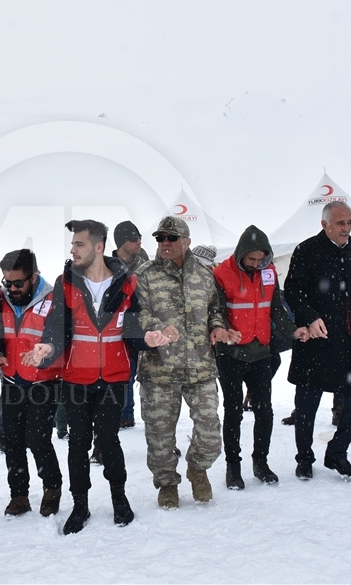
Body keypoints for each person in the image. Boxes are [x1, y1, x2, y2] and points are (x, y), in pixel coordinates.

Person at [26, 219, 139, 534]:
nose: (73, 249)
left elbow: (135, 327)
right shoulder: (67, 282)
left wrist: (151, 337)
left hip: (114, 376)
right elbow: (56, 325)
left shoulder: (126, 283)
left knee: (108, 438)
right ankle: (81, 505)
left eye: (79, 244)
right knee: (78, 442)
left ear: (98, 247)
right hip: (76, 376)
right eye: (73, 244)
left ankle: (119, 498)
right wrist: (47, 346)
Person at [135, 216, 232, 507]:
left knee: (210, 431)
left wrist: (217, 325)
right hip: (159, 369)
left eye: (171, 238)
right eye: (160, 238)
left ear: (186, 241)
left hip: (200, 366)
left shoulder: (204, 274)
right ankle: (166, 484)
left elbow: (215, 308)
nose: (165, 243)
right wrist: (156, 327)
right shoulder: (145, 275)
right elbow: (137, 312)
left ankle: (197, 468)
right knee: (159, 436)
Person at [284, 202, 351, 479]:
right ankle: (304, 457)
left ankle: (337, 453)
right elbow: (292, 290)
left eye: (350, 222)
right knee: (306, 406)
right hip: (317, 341)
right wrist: (309, 317)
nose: (346, 228)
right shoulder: (306, 250)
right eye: (340, 223)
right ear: (324, 224)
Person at [213, 225, 306, 489]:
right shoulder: (221, 273)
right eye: (251, 259)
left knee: (264, 411)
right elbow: (217, 311)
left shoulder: (268, 271)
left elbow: (276, 308)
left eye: (260, 259)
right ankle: (233, 466)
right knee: (233, 411)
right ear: (241, 253)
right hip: (231, 354)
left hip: (261, 351)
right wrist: (221, 329)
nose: (256, 264)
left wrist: (293, 329)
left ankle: (261, 462)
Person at [0, 249, 63, 518]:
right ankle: (19, 495)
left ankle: (52, 489)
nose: (12, 288)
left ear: (33, 276)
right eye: (7, 282)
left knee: (37, 439)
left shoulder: (52, 300)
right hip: (12, 379)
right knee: (12, 440)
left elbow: (59, 338)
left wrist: (44, 353)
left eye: (18, 283)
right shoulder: (1, 299)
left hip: (44, 381)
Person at [112, 220, 149, 430]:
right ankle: (124, 414)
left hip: (143, 326)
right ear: (122, 242)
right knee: (124, 372)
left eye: (139, 238)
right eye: (134, 238)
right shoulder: (109, 266)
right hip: (117, 327)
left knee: (140, 373)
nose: (139, 242)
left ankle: (131, 414)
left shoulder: (145, 263)